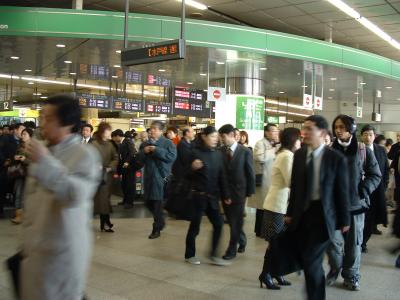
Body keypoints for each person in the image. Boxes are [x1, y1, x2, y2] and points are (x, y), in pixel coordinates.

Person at [20, 94, 101, 300]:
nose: (41, 124)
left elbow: (74, 195)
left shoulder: (86, 155)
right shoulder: (46, 151)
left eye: (48, 119)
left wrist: (45, 161)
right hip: (36, 254)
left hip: (61, 259)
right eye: (41, 117)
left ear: (67, 124)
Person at [267, 115, 350, 300]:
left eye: (309, 129)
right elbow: (296, 187)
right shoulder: (300, 155)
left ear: (322, 132)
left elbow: (342, 191)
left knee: (311, 259)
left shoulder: (335, 158)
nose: (304, 133)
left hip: (323, 217)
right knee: (309, 259)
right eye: (303, 128)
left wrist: (345, 220)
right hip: (302, 216)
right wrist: (289, 213)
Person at [326, 115, 381, 291]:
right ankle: (335, 268)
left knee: (353, 245)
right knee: (332, 244)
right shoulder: (328, 150)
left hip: (355, 206)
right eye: (336, 127)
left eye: (342, 127)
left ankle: (351, 276)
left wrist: (363, 190)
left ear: (351, 129)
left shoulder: (363, 151)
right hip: (332, 208)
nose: (338, 130)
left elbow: (375, 175)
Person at [258, 128, 301, 290]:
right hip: (277, 206)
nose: (300, 142)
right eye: (298, 139)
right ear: (292, 140)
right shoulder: (287, 156)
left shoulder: (285, 155)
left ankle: (275, 272)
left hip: (280, 205)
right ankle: (266, 274)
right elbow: (291, 181)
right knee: (275, 243)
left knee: (279, 243)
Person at [184, 126, 231, 266]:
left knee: (218, 224)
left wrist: (226, 194)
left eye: (217, 137)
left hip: (212, 197)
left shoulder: (218, 154)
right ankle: (189, 254)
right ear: (204, 137)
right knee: (195, 227)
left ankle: (213, 254)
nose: (215, 140)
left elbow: (222, 176)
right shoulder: (194, 152)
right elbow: (184, 174)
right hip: (198, 197)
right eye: (212, 136)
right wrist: (192, 168)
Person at [218, 124, 255, 260]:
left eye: (223, 136)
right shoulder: (220, 151)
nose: (222, 139)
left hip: (240, 193)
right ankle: (243, 240)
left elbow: (250, 172)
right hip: (225, 193)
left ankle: (231, 249)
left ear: (232, 135)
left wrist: (249, 192)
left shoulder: (245, 151)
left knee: (235, 221)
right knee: (233, 221)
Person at [137, 121, 177, 239]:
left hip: (161, 177)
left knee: (156, 203)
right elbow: (139, 159)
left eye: (155, 129)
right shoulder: (145, 144)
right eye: (151, 129)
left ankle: (156, 228)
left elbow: (171, 157)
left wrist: (156, 150)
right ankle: (161, 220)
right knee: (148, 203)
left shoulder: (168, 143)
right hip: (148, 177)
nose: (152, 131)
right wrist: (144, 152)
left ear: (161, 131)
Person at [360, 125, 389, 252]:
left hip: (377, 191)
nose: (368, 137)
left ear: (374, 136)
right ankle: (360, 243)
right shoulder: (357, 150)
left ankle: (364, 241)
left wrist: (385, 184)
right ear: (361, 136)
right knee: (362, 218)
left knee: (371, 218)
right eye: (365, 134)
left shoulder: (381, 150)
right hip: (361, 191)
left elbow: (385, 170)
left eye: (370, 134)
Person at [249, 124, 280, 237]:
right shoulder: (260, 143)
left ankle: (263, 230)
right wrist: (273, 150)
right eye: (273, 131)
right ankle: (259, 231)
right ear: (266, 132)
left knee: (266, 206)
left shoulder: (275, 144)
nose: (276, 133)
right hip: (263, 179)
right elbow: (260, 157)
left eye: (277, 131)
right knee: (262, 206)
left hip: (271, 178)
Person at [92, 122, 119, 233]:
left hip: (107, 177)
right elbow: (88, 158)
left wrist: (110, 167)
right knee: (101, 201)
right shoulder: (93, 145)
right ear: (103, 131)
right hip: (96, 178)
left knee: (104, 200)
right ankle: (105, 223)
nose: (110, 133)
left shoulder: (110, 145)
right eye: (108, 130)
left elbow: (115, 158)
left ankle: (105, 222)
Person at [0, 123, 25, 218]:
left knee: (15, 191)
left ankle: (17, 212)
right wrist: (5, 161)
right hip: (4, 168)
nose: (23, 132)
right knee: (2, 190)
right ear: (15, 130)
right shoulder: (6, 138)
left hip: (16, 171)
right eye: (21, 130)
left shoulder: (22, 142)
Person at [10, 128, 33, 224]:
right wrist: (15, 158)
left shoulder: (34, 148)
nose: (23, 136)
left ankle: (29, 216)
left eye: (25, 134)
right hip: (20, 173)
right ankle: (18, 215)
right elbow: (13, 159)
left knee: (29, 195)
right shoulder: (19, 146)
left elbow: (36, 162)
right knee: (18, 194)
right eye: (22, 134)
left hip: (30, 174)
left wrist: (25, 159)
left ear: (30, 136)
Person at [119, 131, 137, 209]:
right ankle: (126, 200)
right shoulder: (125, 141)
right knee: (125, 184)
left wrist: (127, 161)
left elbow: (132, 152)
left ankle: (129, 202)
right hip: (125, 167)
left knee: (129, 184)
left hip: (129, 167)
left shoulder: (128, 142)